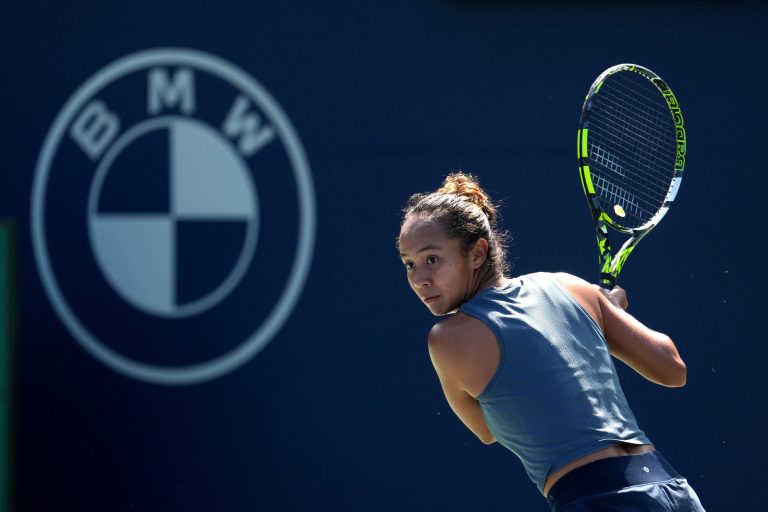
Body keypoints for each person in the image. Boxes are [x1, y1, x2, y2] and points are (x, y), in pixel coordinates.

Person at [397, 172, 705, 511]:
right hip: (673, 490)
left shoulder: (447, 339)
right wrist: (603, 317)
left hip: (597, 501)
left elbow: (487, 430)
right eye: (409, 264)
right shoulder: (570, 286)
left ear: (478, 254)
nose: (419, 278)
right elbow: (672, 369)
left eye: (431, 259)